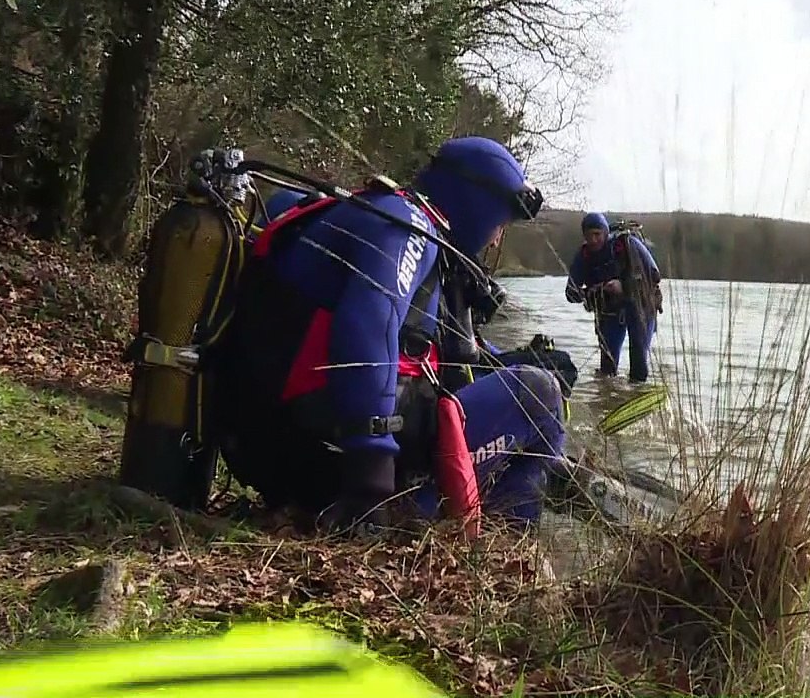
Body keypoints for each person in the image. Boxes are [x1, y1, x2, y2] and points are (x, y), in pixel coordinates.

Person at [217, 136, 569, 537]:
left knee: (521, 381)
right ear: (477, 204)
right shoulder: (411, 227)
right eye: (500, 223)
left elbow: (418, 344)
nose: (496, 238)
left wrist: (506, 360)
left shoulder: (359, 211)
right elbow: (369, 323)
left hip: (269, 450)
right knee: (539, 394)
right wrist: (372, 469)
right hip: (336, 467)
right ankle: (499, 549)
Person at [565, 212, 662, 383]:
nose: (594, 240)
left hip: (641, 307)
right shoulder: (584, 256)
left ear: (605, 233)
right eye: (589, 236)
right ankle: (608, 398)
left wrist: (623, 286)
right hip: (610, 312)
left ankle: (638, 393)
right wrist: (595, 291)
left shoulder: (627, 244)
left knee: (638, 361)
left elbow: (654, 275)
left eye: (597, 235)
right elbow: (571, 294)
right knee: (607, 368)